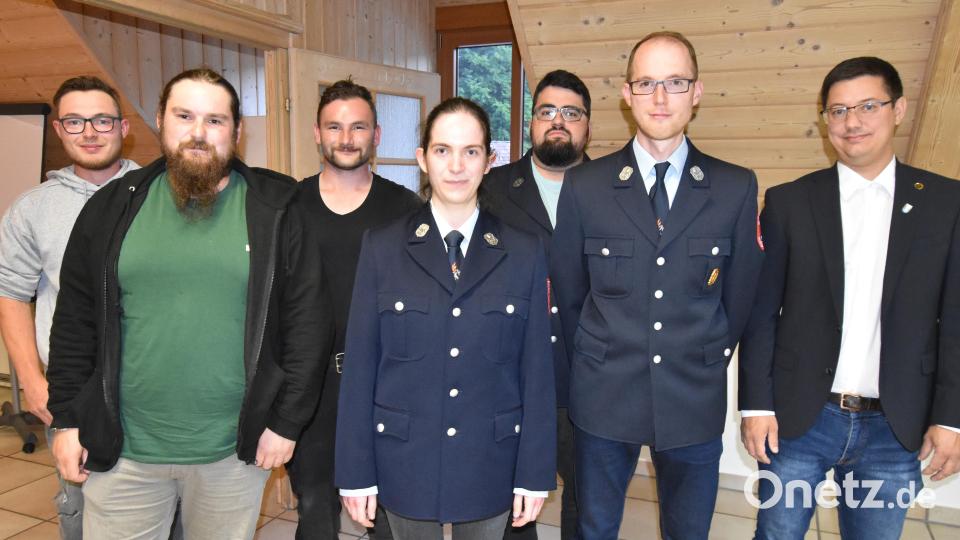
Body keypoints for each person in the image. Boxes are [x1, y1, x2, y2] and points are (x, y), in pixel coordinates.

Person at [46, 68, 330, 540]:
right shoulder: (111, 207)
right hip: (124, 451)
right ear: (160, 120)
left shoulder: (277, 209)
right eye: (184, 115)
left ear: (238, 132)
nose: (198, 133)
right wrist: (68, 419)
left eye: (215, 120)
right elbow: (74, 322)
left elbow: (308, 325)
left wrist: (286, 423)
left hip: (233, 453)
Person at [550, 31, 764, 539]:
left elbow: (739, 300)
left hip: (692, 394)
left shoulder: (734, 186)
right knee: (594, 528)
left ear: (697, 92)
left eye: (675, 81)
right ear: (627, 95)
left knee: (687, 531)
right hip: (604, 394)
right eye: (646, 83)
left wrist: (703, 350)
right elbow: (571, 291)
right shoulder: (586, 186)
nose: (660, 97)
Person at [739, 56, 960, 540]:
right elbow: (761, 314)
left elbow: (956, 320)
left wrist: (951, 419)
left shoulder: (946, 203)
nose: (851, 122)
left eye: (867, 106)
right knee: (776, 534)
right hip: (801, 420)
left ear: (898, 110)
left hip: (895, 426)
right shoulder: (789, 201)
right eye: (836, 111)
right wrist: (755, 406)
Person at [335, 97, 557, 540]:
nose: (456, 166)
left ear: (489, 161)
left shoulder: (523, 251)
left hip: (489, 459)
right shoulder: (382, 248)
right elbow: (360, 367)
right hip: (404, 459)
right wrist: (355, 471)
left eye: (471, 151)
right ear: (422, 159)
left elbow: (537, 371)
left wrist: (534, 472)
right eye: (442, 150)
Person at [0, 76, 137, 540]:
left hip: (150, 387)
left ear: (123, 127)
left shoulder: (159, 195)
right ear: (59, 129)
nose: (90, 132)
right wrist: (33, 381)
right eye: (76, 121)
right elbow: (12, 295)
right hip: (75, 391)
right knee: (84, 514)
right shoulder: (32, 209)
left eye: (101, 120)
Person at [288, 79, 421, 540]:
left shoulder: (406, 210)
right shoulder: (290, 207)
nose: (346, 138)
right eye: (335, 127)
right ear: (316, 133)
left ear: (377, 135)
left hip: (384, 387)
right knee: (315, 512)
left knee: (385, 517)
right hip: (310, 390)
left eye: (358, 126)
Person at [484, 68, 591, 540]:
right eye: (547, 111)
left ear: (588, 124)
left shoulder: (613, 188)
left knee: (586, 494)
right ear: (530, 122)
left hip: (588, 375)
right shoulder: (492, 189)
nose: (558, 122)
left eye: (571, 113)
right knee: (511, 498)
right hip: (509, 373)